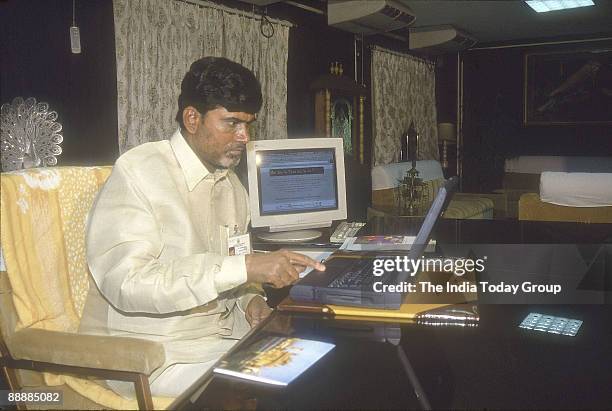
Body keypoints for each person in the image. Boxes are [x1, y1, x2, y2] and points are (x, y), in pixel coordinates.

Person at [79, 57, 325, 398]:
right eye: (232, 123)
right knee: (288, 388)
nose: (244, 137)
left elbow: (235, 273)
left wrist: (251, 302)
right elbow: (126, 282)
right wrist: (247, 266)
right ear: (192, 118)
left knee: (318, 361)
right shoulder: (139, 172)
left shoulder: (232, 187)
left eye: (249, 125)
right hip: (153, 355)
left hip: (217, 341)